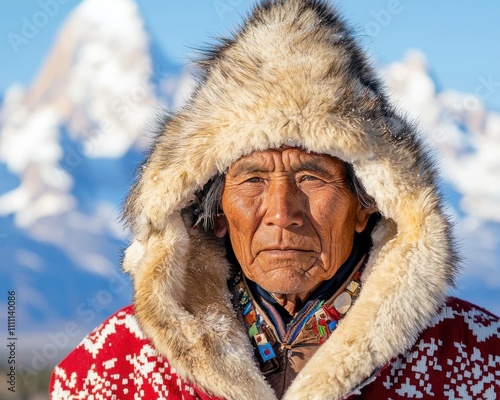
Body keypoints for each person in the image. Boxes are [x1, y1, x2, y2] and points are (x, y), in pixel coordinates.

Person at [49, 0, 500, 399]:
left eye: (311, 176)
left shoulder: (477, 359)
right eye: (252, 180)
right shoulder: (110, 370)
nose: (283, 214)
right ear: (216, 213)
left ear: (368, 205)